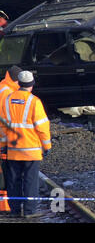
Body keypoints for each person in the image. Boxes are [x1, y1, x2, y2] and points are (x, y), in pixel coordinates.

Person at [2, 71, 51, 218]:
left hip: (13, 149)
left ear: (19, 83)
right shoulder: (34, 101)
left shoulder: (7, 100)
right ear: (32, 84)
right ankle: (30, 211)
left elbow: (2, 126)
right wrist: (47, 146)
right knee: (31, 180)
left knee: (13, 180)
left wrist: (3, 145)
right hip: (31, 151)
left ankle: (15, 210)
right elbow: (42, 127)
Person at [0, 65, 22, 212]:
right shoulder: (7, 93)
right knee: (5, 172)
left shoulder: (3, 87)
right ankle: (5, 205)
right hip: (3, 139)